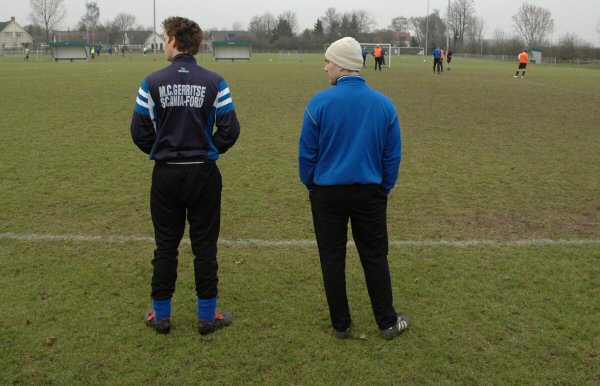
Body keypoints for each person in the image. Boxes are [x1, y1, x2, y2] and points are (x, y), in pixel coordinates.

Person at [130, 16, 240, 335]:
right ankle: (207, 317)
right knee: (205, 246)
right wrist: (208, 149)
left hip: (166, 176)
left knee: (166, 245)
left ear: (176, 41)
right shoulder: (215, 81)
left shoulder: (151, 82)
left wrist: (163, 150)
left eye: (165, 39)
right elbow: (230, 129)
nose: (164, 44)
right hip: (204, 174)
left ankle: (161, 316)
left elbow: (139, 131)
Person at [299, 36, 410, 341]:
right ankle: (387, 322)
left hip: (327, 194)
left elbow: (307, 154)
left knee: (331, 257)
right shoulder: (384, 105)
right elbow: (392, 156)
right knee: (375, 256)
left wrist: (312, 185)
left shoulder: (319, 103)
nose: (325, 68)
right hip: (370, 194)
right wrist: (383, 188)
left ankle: (341, 325)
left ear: (342, 65)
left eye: (328, 61)